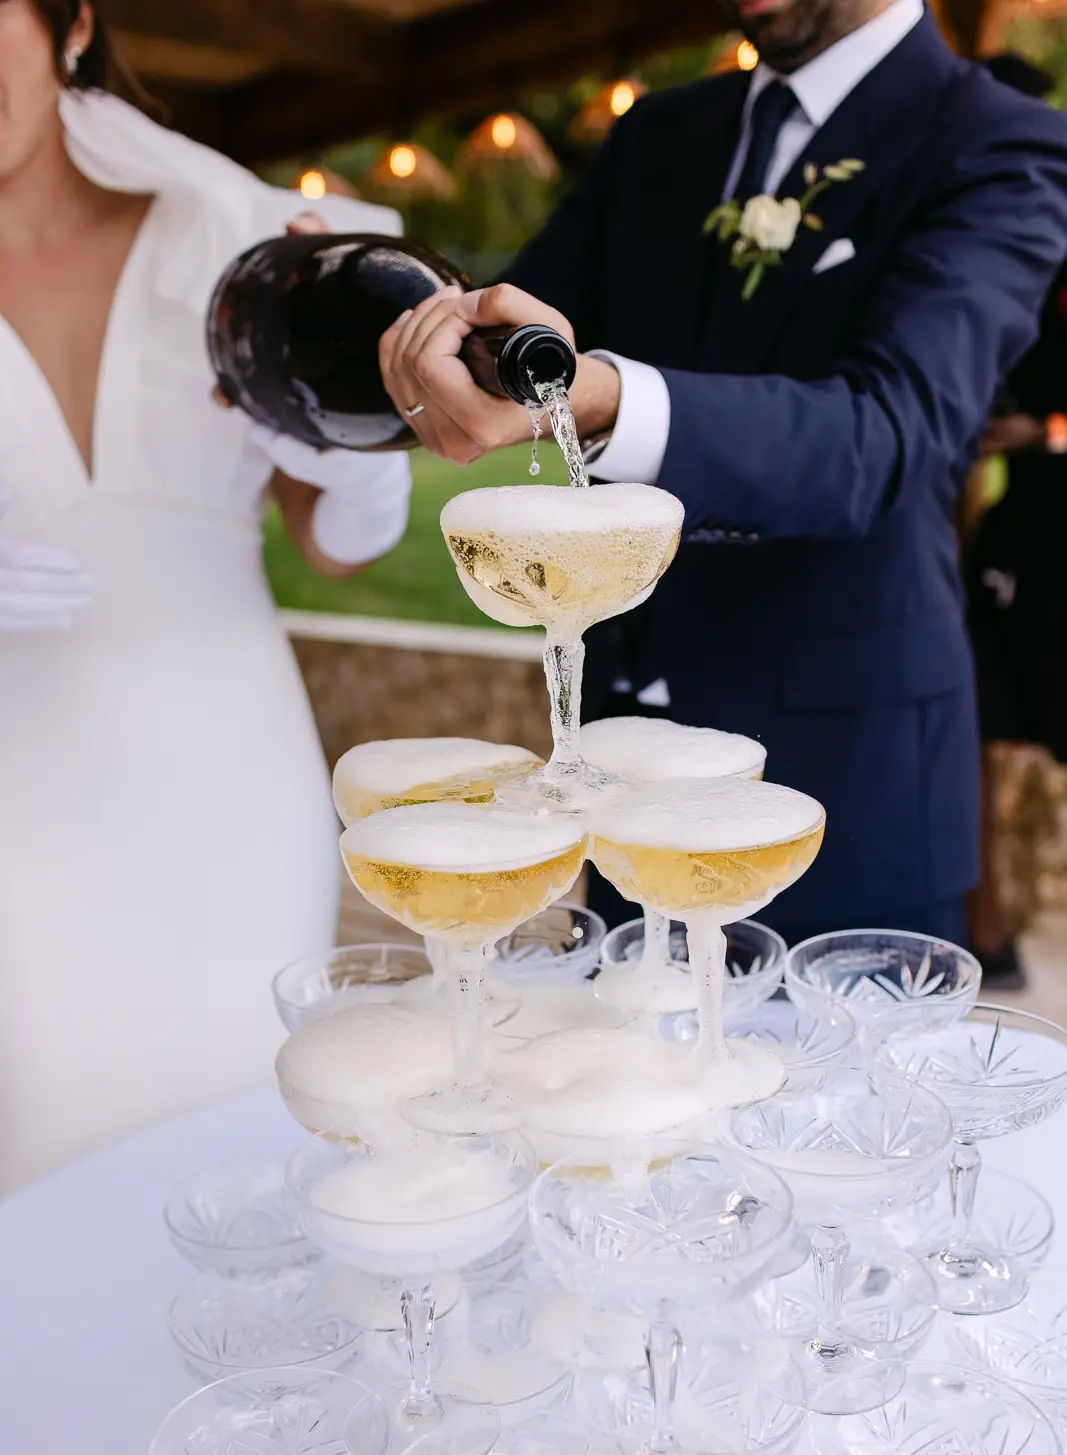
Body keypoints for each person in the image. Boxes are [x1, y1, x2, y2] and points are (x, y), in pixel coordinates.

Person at [379, 0, 1067, 948]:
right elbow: (519, 334)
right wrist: (427, 338)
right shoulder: (662, 131)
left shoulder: (1000, 142)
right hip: (619, 770)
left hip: (839, 784)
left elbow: (884, 435)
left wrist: (609, 400)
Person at [0, 0, 412, 1190]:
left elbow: (335, 541)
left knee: (236, 1157)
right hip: (18, 799)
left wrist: (353, 444)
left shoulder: (239, 235)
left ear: (70, 21)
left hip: (227, 782)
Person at [962, 53, 1067, 989]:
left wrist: (1046, 426)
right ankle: (983, 930)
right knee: (980, 724)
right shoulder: (978, 239)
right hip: (1009, 525)